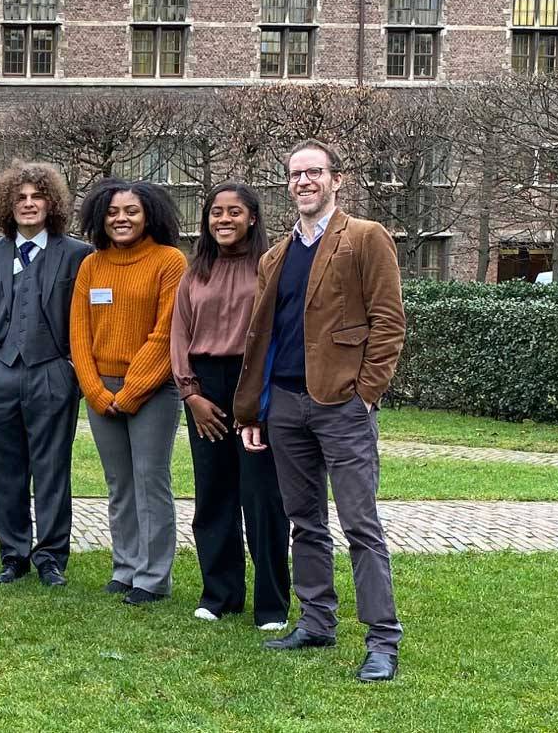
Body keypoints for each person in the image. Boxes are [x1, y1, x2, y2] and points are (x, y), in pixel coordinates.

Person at [235, 139, 407, 683]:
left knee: (360, 525)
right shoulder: (274, 256)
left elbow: (389, 323)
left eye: (314, 172)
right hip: (285, 406)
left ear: (337, 179)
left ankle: (382, 640)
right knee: (304, 522)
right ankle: (316, 621)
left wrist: (366, 393)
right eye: (294, 175)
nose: (303, 182)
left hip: (343, 406)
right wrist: (256, 410)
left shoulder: (365, 237)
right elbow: (265, 337)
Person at [169, 184, 289, 630]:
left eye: (233, 212)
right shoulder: (194, 270)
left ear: (252, 218)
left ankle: (272, 605)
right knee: (213, 494)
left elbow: (278, 335)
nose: (223, 219)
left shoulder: (269, 268)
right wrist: (191, 394)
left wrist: (258, 399)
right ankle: (220, 595)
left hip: (253, 384)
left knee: (262, 498)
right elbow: (178, 335)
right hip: (204, 386)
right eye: (216, 212)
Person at [0, 162, 91, 586]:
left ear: (51, 203)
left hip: (52, 373)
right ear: (7, 204)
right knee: (4, 469)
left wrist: (73, 369)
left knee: (52, 466)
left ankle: (51, 556)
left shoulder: (77, 254)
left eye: (37, 196)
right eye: (20, 197)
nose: (29, 204)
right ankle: (13, 553)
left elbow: (85, 318)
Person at [70, 179, 187, 606]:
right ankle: (125, 567)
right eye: (113, 212)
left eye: (131, 211)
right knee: (119, 484)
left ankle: (153, 578)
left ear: (149, 214)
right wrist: (97, 393)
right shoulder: (92, 265)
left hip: (153, 390)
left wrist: (133, 390)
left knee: (149, 480)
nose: (122, 219)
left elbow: (165, 333)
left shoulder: (169, 261)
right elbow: (79, 334)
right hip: (102, 391)